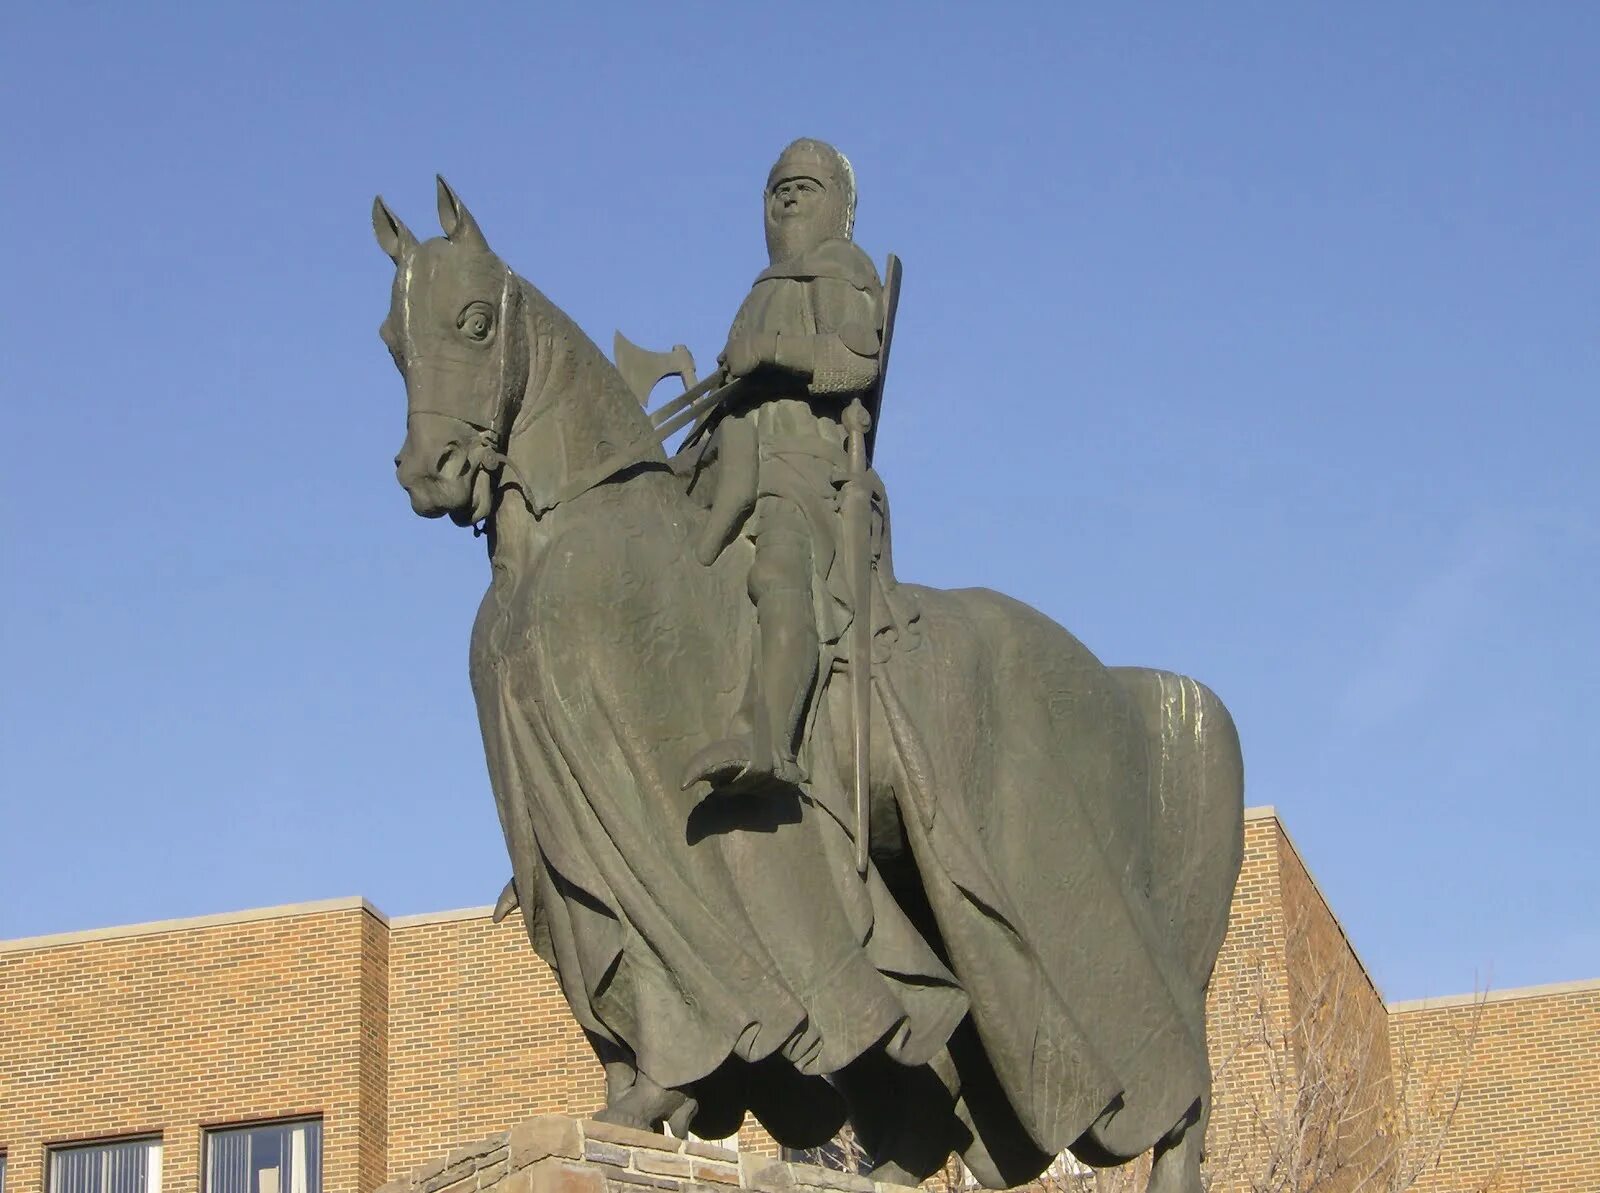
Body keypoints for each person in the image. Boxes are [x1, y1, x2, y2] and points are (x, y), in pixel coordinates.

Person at [682, 137, 887, 791]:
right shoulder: (761, 289)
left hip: (804, 469)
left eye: (806, 186)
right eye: (780, 187)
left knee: (780, 569)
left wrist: (770, 349)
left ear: (837, 205)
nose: (791, 196)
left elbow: (857, 361)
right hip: (732, 468)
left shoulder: (838, 269)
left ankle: (768, 739)